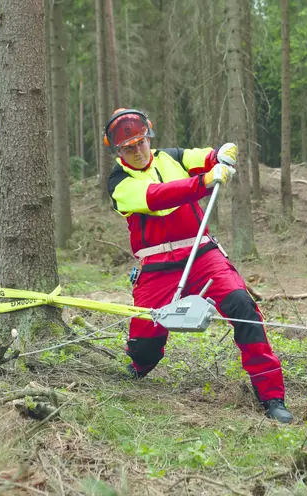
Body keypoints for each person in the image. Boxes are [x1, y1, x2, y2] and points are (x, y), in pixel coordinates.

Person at [105, 108, 293, 424]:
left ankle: (272, 395)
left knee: (241, 304)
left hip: (202, 254)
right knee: (144, 344)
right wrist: (204, 182)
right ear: (118, 151)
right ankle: (137, 367)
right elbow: (157, 198)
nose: (137, 150)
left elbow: (207, 157)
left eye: (140, 142)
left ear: (148, 136)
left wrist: (222, 154)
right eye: (128, 147)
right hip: (157, 266)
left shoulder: (174, 157)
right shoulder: (119, 182)